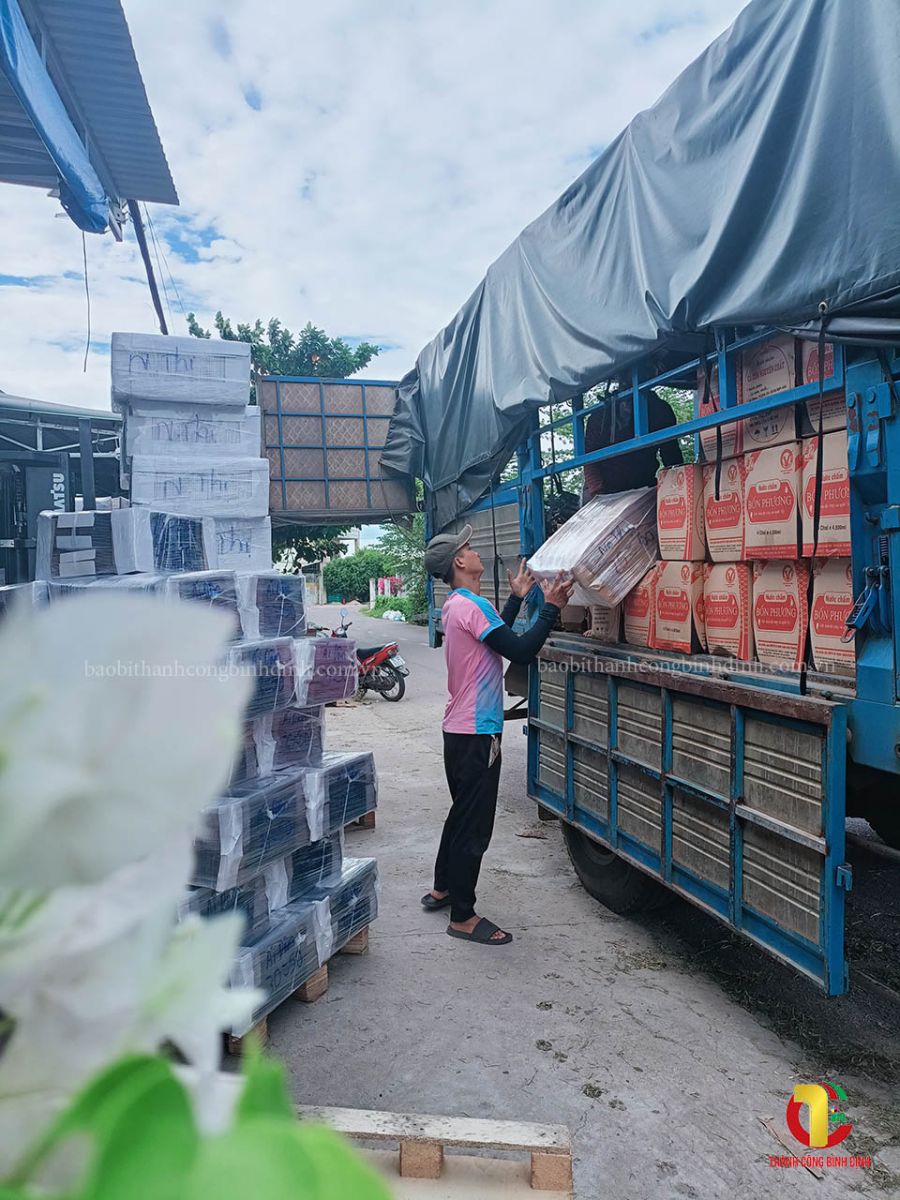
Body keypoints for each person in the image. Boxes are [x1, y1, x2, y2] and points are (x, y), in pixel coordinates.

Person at [421, 525, 574, 947]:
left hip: (459, 729)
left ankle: (443, 888)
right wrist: (551, 608)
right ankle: (463, 916)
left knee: (461, 812)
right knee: (475, 826)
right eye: (468, 548)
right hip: (477, 731)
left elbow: (495, 641)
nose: (474, 552)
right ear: (459, 562)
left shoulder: (458, 605)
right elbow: (521, 650)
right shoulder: (472, 606)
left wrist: (516, 598)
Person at [583, 388, 682, 498]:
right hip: (606, 487)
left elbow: (671, 454)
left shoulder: (659, 410)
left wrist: (676, 485)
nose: (628, 407)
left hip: (643, 484)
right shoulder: (600, 416)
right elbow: (589, 458)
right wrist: (598, 492)